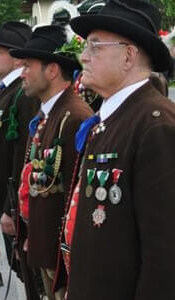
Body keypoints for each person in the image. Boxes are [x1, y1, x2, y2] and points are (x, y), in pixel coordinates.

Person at [61, 1, 175, 299]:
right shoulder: (113, 116)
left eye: (95, 47)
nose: (83, 56)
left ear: (128, 56)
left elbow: (165, 253)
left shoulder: (155, 124)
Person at [10, 25, 93, 300]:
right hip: (46, 248)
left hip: (62, 260)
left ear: (53, 70)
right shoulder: (53, 114)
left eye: (28, 66)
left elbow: (74, 199)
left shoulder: (74, 117)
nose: (22, 73)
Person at [0, 21, 40, 300]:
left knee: (23, 271)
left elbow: (22, 156)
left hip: (11, 201)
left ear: (17, 57)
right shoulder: (5, 92)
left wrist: (9, 207)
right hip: (0, 194)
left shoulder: (22, 96)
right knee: (13, 266)